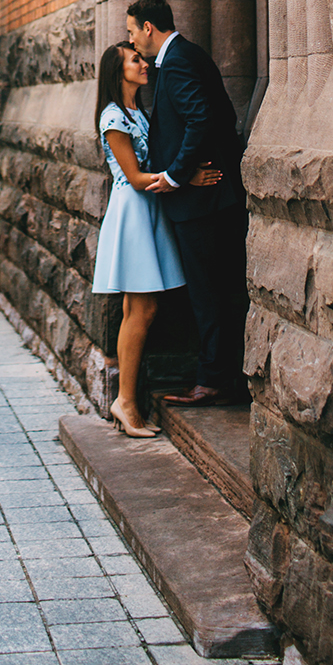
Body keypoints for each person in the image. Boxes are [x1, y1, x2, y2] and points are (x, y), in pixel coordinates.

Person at [91, 40, 222, 437]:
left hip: (150, 209)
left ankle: (128, 399)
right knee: (140, 311)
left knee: (143, 310)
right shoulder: (113, 117)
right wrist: (186, 177)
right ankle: (125, 401)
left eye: (142, 56)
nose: (144, 63)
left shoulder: (137, 112)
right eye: (135, 60)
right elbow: (133, 176)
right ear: (119, 72)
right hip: (133, 211)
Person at [127, 0, 248, 407]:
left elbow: (202, 119)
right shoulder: (184, 56)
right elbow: (222, 115)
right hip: (204, 195)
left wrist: (179, 175)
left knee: (206, 290)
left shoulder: (177, 60)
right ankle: (219, 373)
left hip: (201, 201)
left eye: (132, 31)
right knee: (209, 288)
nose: (131, 41)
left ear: (148, 28)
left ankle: (214, 379)